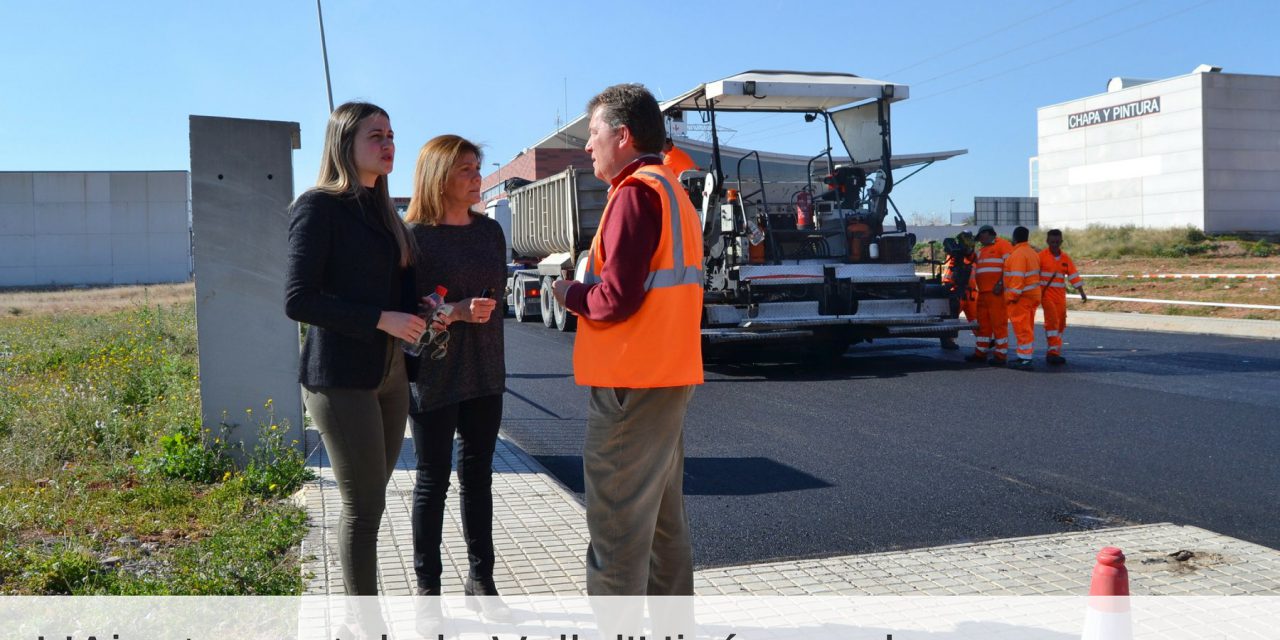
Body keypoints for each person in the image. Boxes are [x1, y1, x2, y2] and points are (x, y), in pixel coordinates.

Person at [550, 83, 704, 595]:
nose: (587, 147)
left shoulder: (635, 194)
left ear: (622, 134)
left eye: (593, 134)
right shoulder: (670, 187)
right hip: (665, 376)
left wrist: (569, 293)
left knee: (616, 530)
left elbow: (615, 298)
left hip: (628, 385)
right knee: (663, 527)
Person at [284, 101, 425, 595]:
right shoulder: (318, 206)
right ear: (345, 143)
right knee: (363, 508)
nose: (388, 144)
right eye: (376, 136)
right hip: (339, 377)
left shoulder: (387, 213)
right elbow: (299, 299)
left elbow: (398, 299)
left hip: (389, 375)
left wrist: (424, 309)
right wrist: (381, 318)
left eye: (391, 135)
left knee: (374, 501)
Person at [402, 135, 508, 610]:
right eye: (466, 169)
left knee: (479, 476)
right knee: (431, 480)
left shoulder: (489, 233)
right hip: (433, 373)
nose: (477, 177)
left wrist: (476, 309)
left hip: (486, 368)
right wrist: (455, 312)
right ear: (438, 176)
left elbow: (496, 293)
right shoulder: (414, 239)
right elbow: (404, 318)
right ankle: (428, 590)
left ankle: (481, 581)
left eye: (477, 167)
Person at [965, 225, 1013, 365]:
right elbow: (970, 260)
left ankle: (1000, 355)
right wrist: (968, 249)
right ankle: (980, 353)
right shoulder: (981, 251)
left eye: (980, 237)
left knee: (999, 324)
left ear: (987, 234)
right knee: (983, 325)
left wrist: (1000, 284)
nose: (979, 240)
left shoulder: (1003, 245)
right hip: (983, 293)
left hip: (996, 293)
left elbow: (1009, 266)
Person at [1039, 229, 1088, 365]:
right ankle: (1052, 352)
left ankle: (1055, 350)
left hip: (1060, 296)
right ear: (1047, 241)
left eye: (1057, 242)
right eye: (1052, 242)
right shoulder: (1041, 257)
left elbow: (1073, 276)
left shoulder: (1065, 258)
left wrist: (1082, 292)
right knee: (1052, 322)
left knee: (1061, 323)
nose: (1054, 244)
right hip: (1046, 295)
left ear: (1061, 242)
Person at [1003, 226, 1042, 369]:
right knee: (1027, 327)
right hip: (1032, 295)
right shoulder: (1032, 253)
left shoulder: (1018, 254)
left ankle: (1025, 359)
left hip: (1021, 298)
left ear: (1014, 238)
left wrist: (1010, 297)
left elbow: (1017, 279)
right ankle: (1023, 356)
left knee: (1022, 328)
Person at [940, 230, 977, 350]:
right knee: (952, 319)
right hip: (957, 291)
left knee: (976, 320)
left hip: (970, 292)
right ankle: (948, 340)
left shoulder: (972, 257)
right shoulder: (953, 257)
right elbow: (948, 276)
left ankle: (984, 341)